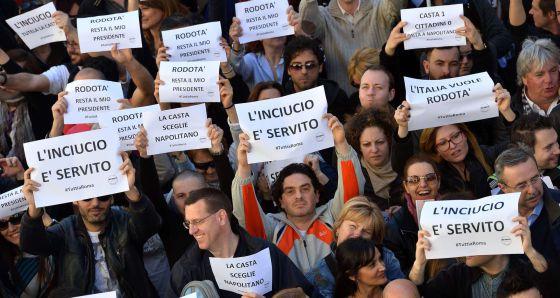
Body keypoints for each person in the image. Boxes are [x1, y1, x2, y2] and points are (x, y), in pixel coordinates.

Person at [232, 113, 364, 273]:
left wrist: (341, 144)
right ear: (280, 201)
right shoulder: (272, 229)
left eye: (305, 188)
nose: (299, 196)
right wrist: (244, 167)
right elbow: (247, 215)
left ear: (317, 195)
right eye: (290, 191)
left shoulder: (334, 217)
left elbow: (352, 192)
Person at [19, 153, 162, 297]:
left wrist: (131, 190)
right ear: (75, 200)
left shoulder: (124, 221)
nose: (95, 203)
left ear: (112, 198)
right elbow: (31, 245)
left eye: (103, 196)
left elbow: (151, 225)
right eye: (87, 197)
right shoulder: (66, 230)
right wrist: (33, 207)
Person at [166, 188, 315, 297]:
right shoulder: (186, 269)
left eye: (197, 222)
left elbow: (306, 294)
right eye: (188, 223)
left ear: (221, 217)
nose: (191, 231)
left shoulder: (264, 253)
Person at [408, 206, 558, 297]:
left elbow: (551, 285)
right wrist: (419, 265)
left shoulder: (524, 270)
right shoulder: (455, 276)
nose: (466, 246)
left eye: (474, 238)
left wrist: (530, 251)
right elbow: (417, 293)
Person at [298, 0, 404, 94]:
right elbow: (308, 25)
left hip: (381, 100)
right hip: (344, 103)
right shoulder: (324, 15)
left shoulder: (379, 6)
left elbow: (395, 8)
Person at [306, 196, 405, 297]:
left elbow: (403, 290)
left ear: (373, 240)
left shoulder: (385, 256)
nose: (357, 234)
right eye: (352, 227)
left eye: (366, 231)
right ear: (338, 228)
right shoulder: (321, 272)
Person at [495, 147, 560, 261]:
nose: (532, 190)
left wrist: (531, 252)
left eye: (535, 179)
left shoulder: (557, 201)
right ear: (503, 188)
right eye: (521, 185)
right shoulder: (490, 217)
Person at [384, 154, 441, 273]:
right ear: (406, 186)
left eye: (430, 178)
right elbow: (399, 275)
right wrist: (418, 265)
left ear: (438, 181)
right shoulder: (394, 226)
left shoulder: (457, 212)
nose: (423, 184)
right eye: (414, 180)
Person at [282, 36, 352, 122]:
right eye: (297, 66)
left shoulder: (337, 96)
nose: (304, 71)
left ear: (320, 67)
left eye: (310, 65)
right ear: (288, 70)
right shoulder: (280, 99)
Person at [345, 109, 402, 210]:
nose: (374, 150)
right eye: (366, 144)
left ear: (389, 141)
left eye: (380, 142)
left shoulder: (404, 164)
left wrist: (403, 211)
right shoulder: (354, 173)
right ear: (359, 147)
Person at [0, 211, 54, 297]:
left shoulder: (56, 239)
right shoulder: (3, 262)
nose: (11, 229)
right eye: (2, 224)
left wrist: (50, 224)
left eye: (16, 218)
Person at [229, 19, 286, 90]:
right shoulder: (252, 59)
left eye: (279, 28)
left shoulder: (293, 57)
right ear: (260, 36)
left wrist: (299, 31)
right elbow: (236, 67)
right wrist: (237, 43)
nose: (276, 33)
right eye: (270, 29)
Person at [512, 38, 560, 116]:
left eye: (553, 70)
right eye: (539, 74)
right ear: (524, 78)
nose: (549, 79)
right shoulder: (510, 109)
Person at [511, 114, 560, 187]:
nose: (558, 151)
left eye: (556, 141)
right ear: (525, 151)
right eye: (549, 147)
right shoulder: (505, 182)